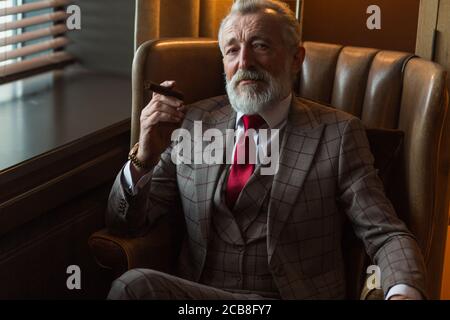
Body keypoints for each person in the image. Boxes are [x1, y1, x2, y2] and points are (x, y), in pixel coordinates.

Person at [106, 0, 426, 300]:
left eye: (260, 46)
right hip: (202, 298)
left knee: (135, 287)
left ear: (296, 58)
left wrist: (402, 292)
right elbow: (126, 224)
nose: (244, 62)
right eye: (232, 50)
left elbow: (386, 234)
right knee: (134, 287)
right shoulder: (193, 122)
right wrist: (144, 155)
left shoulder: (337, 134)